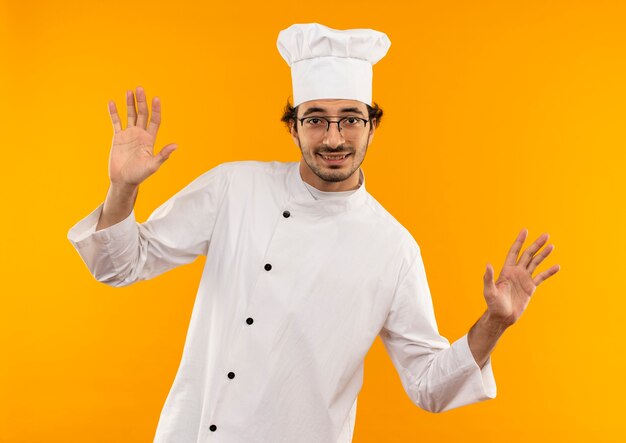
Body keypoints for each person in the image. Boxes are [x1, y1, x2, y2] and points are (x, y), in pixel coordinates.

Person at [68, 23, 560, 443]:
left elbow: (429, 386)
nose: (333, 138)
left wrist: (495, 323)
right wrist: (122, 188)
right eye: (316, 120)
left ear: (372, 127)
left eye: (350, 120)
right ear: (293, 127)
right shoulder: (234, 187)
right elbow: (120, 266)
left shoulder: (393, 249)